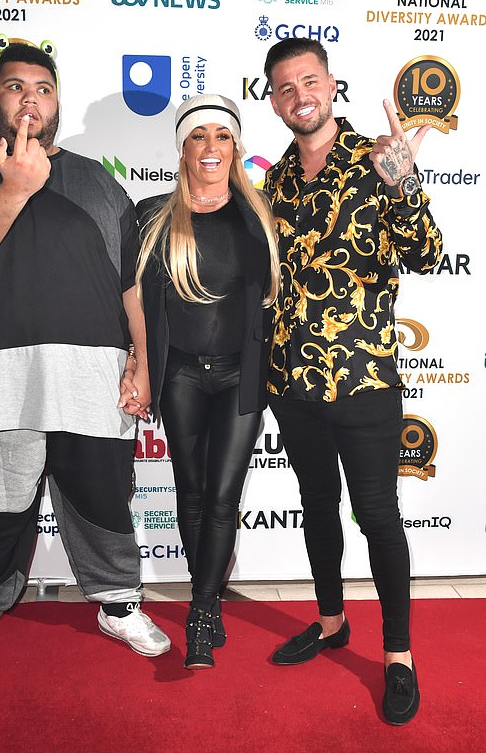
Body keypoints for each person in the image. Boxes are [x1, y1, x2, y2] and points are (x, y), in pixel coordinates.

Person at [0, 41, 170, 690]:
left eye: (42, 87)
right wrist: (16, 186)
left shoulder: (98, 179)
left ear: (56, 101)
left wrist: (142, 360)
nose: (30, 97)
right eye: (14, 86)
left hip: (93, 379)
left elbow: (131, 285)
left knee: (103, 506)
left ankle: (118, 604)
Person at [262, 37, 442, 724]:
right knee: (316, 506)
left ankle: (398, 656)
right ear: (273, 101)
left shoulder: (376, 157)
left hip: (364, 380)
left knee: (377, 515)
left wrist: (403, 177)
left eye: (309, 80)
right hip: (293, 384)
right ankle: (332, 620)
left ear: (331, 84)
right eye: (284, 87)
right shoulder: (273, 181)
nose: (299, 95)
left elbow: (427, 253)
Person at [135, 95, 279, 669]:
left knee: (222, 496)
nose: (211, 147)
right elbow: (138, 306)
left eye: (223, 136)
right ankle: (210, 602)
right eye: (199, 137)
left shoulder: (263, 215)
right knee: (190, 492)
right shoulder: (153, 216)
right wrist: (138, 367)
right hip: (182, 375)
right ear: (183, 147)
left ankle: (199, 611)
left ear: (236, 146)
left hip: (243, 376)